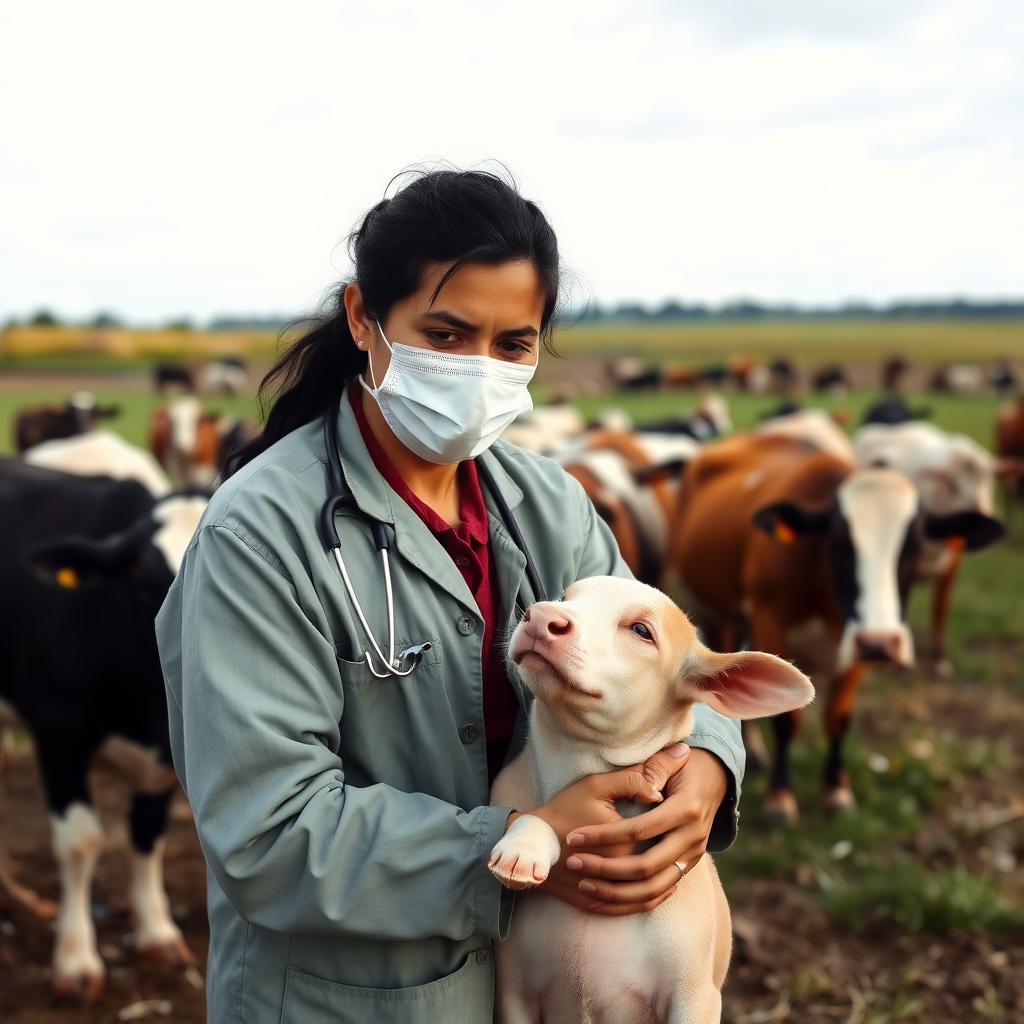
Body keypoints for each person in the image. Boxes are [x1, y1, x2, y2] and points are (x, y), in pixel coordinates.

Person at [156, 169, 745, 1023]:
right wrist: (515, 844)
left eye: (513, 344)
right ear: (364, 317)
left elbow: (659, 649)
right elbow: (267, 834)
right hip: (345, 1001)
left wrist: (706, 772)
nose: (479, 369)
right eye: (445, 333)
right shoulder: (260, 536)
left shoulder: (547, 503)